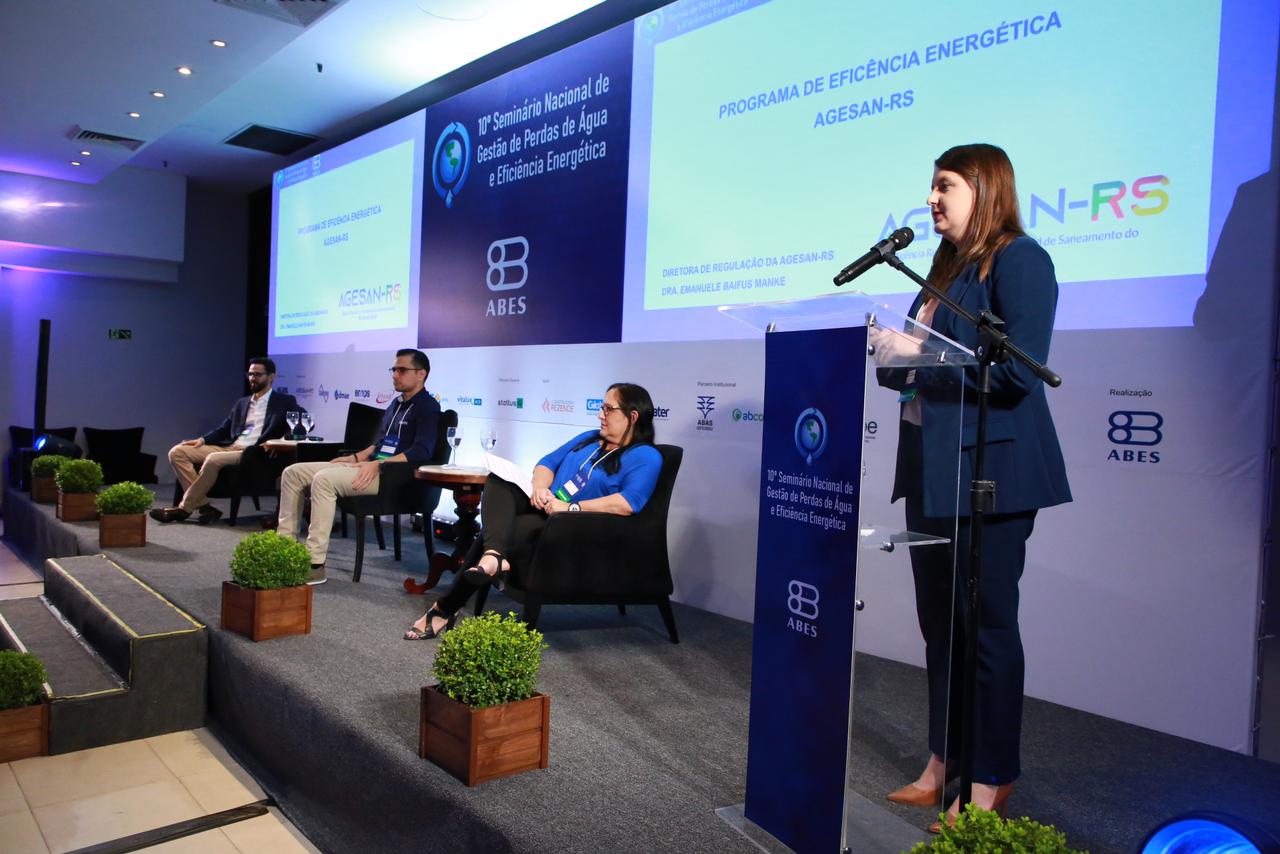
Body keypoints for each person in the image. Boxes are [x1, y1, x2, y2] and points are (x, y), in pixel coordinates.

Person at [873, 144, 1071, 830]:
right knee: (941, 629)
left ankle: (990, 780)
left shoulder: (1020, 260)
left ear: (984, 188)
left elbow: (1018, 372)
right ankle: (943, 761)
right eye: (931, 186)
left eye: (945, 185)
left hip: (991, 473)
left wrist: (918, 359)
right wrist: (892, 353)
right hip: (931, 470)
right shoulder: (941, 269)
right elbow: (907, 369)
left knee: (985, 630)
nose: (931, 198)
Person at [404, 382, 662, 639]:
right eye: (601, 408)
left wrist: (571, 507)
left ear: (632, 416)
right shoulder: (590, 438)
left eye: (608, 409)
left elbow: (628, 503)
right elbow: (547, 463)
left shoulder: (646, 456)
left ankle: (448, 605)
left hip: (573, 525)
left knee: (500, 531)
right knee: (498, 480)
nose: (600, 415)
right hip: (545, 507)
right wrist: (539, 489)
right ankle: (492, 557)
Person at [277, 349, 440, 585]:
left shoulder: (428, 407)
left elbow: (422, 451)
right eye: (394, 369)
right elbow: (380, 444)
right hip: (371, 466)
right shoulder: (396, 404)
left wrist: (379, 464)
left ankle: (314, 563)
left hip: (393, 477)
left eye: (402, 370)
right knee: (293, 473)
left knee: (324, 479)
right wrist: (354, 458)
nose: (395, 375)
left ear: (421, 374)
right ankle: (283, 550)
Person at [152, 357, 301, 524]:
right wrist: (202, 440)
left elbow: (302, 423)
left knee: (213, 459)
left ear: (271, 377)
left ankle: (184, 509)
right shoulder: (242, 403)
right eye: (250, 374)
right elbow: (224, 428)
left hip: (251, 452)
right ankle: (204, 506)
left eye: (257, 374)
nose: (252, 378)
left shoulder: (283, 401)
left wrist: (280, 441)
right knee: (177, 452)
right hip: (230, 447)